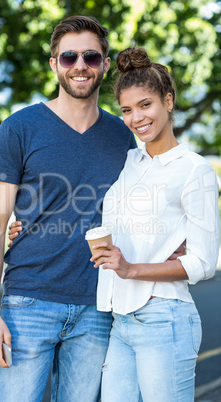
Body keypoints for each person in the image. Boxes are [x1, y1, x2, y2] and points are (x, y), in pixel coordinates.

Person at [0, 15, 138, 402]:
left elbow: (137, 214)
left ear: (103, 63)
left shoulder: (124, 137)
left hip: (96, 310)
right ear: (54, 64)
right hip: (27, 304)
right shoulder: (19, 128)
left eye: (90, 57)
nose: (80, 65)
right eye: (68, 57)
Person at [88, 47, 220, 401]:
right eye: (127, 110)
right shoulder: (130, 160)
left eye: (146, 104)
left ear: (168, 101)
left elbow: (204, 263)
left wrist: (132, 269)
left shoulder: (195, 170)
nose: (136, 118)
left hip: (165, 319)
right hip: (121, 320)